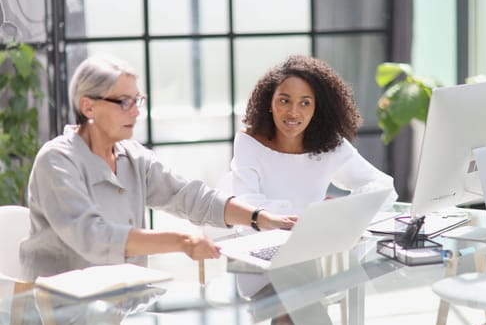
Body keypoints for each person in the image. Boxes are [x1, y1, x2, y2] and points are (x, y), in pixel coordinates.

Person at [19, 55, 297, 282]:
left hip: (124, 300)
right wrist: (182, 242)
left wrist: (261, 218)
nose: (137, 112)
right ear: (88, 107)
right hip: (60, 309)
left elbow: (190, 197)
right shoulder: (56, 161)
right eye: (124, 102)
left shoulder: (132, 156)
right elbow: (94, 237)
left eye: (138, 100)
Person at [231, 54, 398, 325]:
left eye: (304, 103)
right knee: (297, 291)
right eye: (284, 100)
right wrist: (310, 215)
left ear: (317, 107)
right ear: (269, 102)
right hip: (262, 264)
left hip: (311, 262)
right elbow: (246, 212)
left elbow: (384, 186)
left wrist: (344, 209)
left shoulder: (327, 145)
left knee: (297, 297)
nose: (293, 112)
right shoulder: (249, 142)